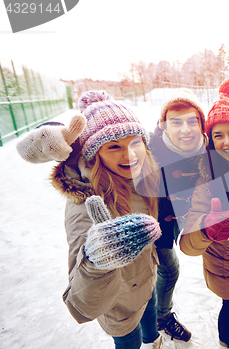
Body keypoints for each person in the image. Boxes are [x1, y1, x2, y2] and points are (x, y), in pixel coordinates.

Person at [50, 91, 164, 349]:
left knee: (150, 320)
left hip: (147, 281)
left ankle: (154, 341)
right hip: (118, 302)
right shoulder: (85, 204)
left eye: (135, 142)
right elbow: (80, 304)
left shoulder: (143, 177)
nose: (130, 154)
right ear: (94, 153)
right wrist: (95, 260)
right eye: (114, 146)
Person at [179, 79, 229, 349]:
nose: (227, 142)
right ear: (210, 140)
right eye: (218, 135)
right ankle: (228, 342)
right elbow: (187, 244)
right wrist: (207, 229)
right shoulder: (206, 178)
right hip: (226, 266)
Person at [146, 88, 208, 342]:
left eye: (192, 121)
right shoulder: (149, 153)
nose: (185, 129)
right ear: (163, 127)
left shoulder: (208, 148)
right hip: (152, 225)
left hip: (177, 222)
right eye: (176, 122)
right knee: (166, 270)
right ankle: (159, 319)